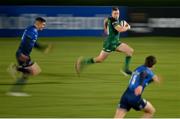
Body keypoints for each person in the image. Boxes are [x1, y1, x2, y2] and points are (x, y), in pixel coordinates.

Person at [75, 7, 133, 76]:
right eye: (115, 13)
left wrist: (105, 29)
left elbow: (105, 20)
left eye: (117, 13)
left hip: (116, 42)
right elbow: (120, 30)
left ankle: (126, 69)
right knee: (100, 59)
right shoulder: (113, 21)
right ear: (112, 14)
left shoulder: (110, 19)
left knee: (129, 51)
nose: (116, 15)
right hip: (110, 44)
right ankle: (83, 62)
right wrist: (127, 27)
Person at [6, 17, 47, 96]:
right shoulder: (33, 30)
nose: (43, 26)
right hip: (22, 55)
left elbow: (33, 43)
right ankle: (15, 68)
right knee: (34, 71)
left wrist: (41, 48)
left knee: (30, 72)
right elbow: (27, 41)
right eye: (43, 24)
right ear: (38, 23)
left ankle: (15, 91)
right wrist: (23, 54)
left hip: (24, 54)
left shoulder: (32, 30)